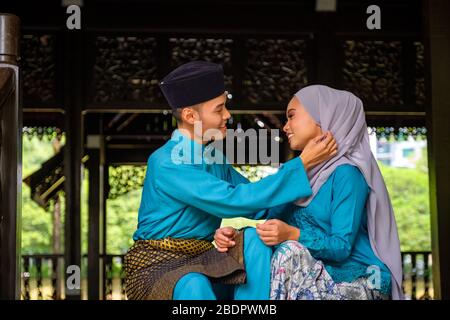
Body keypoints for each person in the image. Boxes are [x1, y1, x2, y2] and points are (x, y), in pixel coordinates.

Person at [124, 62, 337, 300]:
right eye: (219, 109)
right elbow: (233, 201)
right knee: (194, 285)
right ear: (190, 115)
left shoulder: (214, 157)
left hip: (204, 258)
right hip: (157, 263)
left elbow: (259, 204)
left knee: (256, 240)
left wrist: (320, 196)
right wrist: (301, 164)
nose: (228, 115)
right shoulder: (166, 162)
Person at [215, 85, 404, 300]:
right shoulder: (301, 175)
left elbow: (341, 247)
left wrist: (292, 234)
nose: (285, 127)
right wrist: (233, 236)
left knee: (289, 253)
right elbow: (264, 209)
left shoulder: (347, 174)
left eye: (291, 116)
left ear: (323, 117)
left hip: (359, 278)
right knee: (255, 244)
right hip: (314, 273)